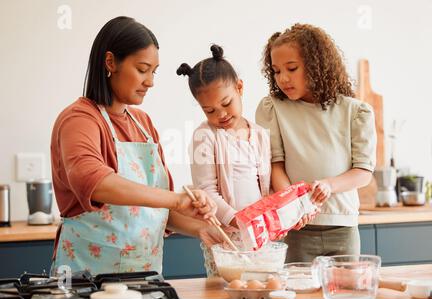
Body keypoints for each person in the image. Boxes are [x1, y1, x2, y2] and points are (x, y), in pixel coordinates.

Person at [50, 16, 222, 276]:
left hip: (145, 280)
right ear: (110, 62)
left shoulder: (143, 123)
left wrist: (200, 228)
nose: (150, 81)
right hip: (88, 280)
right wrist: (177, 200)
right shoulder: (79, 119)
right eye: (142, 69)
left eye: (154, 72)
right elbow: (94, 181)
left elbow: (152, 211)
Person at [176, 45, 314, 276]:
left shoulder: (260, 134)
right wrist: (239, 221)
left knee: (261, 286)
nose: (220, 115)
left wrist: (285, 214)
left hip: (261, 236)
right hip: (227, 239)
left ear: (240, 88)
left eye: (226, 103)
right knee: (230, 290)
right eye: (209, 110)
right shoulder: (205, 136)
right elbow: (206, 191)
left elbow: (267, 187)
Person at [256, 23, 377, 262]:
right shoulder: (274, 109)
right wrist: (294, 206)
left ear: (316, 65)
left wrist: (330, 185)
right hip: (298, 228)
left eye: (291, 68)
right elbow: (275, 166)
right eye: (277, 71)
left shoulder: (355, 111)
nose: (283, 78)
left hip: (343, 228)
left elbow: (363, 172)